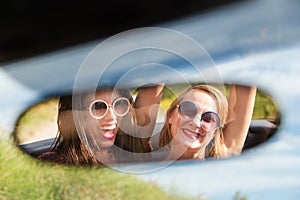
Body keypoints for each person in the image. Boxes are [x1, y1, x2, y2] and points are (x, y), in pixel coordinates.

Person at [38, 85, 163, 165]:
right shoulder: (54, 164)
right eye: (98, 106)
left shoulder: (132, 147)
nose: (112, 117)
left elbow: (156, 79)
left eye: (119, 104)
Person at [152, 84, 256, 161]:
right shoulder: (145, 157)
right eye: (188, 111)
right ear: (171, 115)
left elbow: (246, 81)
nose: (196, 123)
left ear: (215, 131)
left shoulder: (222, 160)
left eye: (208, 119)